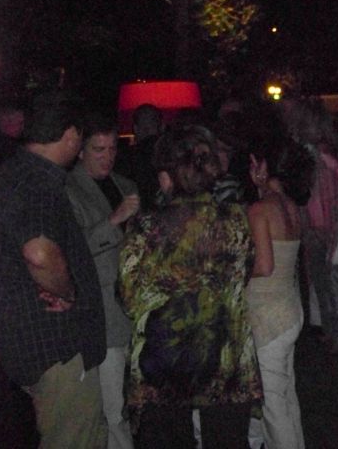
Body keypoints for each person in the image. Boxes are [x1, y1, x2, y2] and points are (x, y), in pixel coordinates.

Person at [119, 125, 261, 448]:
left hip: (163, 364)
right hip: (224, 356)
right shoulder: (237, 219)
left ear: (167, 177)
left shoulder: (146, 226)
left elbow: (129, 298)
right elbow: (242, 276)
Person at [0, 92, 107, 448]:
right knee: (75, 437)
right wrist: (69, 291)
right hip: (54, 341)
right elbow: (40, 253)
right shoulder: (37, 180)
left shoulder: (14, 173)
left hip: (28, 336)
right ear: (71, 134)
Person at [66, 114, 139, 449]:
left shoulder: (125, 185)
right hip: (101, 314)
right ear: (80, 151)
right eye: (99, 149)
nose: (107, 156)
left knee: (128, 402)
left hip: (133, 310)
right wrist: (115, 220)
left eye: (112, 148)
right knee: (111, 408)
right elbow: (73, 251)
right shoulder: (67, 190)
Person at [246, 135, 315, 449]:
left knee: (273, 404)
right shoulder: (291, 206)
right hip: (290, 310)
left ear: (265, 167)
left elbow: (263, 266)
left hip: (269, 317)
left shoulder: (260, 209)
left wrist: (233, 270)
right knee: (286, 395)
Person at [287, 99, 338, 354]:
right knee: (320, 281)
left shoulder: (322, 152)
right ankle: (331, 330)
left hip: (325, 225)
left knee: (332, 281)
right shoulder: (309, 152)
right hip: (314, 223)